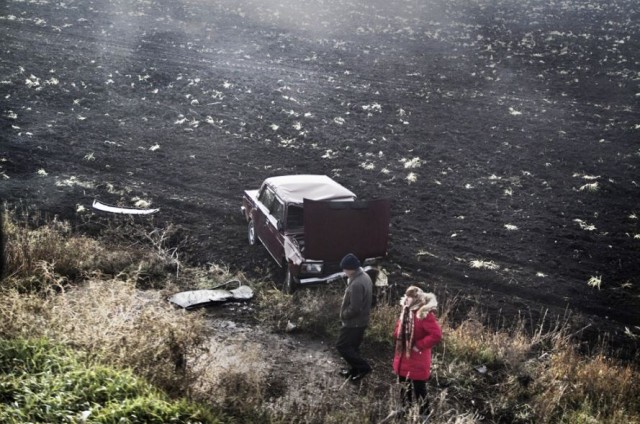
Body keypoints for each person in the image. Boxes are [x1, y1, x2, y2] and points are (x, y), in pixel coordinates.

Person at [392, 285, 442, 419]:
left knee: (419, 388)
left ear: (417, 299)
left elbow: (436, 335)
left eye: (411, 297)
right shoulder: (405, 311)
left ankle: (424, 415)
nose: (407, 299)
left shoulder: (424, 314)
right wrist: (398, 336)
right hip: (403, 355)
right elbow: (399, 328)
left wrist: (419, 345)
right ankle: (404, 409)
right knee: (403, 385)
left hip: (417, 357)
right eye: (407, 296)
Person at [336, 253, 373, 382]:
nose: (344, 271)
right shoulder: (364, 276)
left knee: (342, 346)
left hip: (354, 323)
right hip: (362, 321)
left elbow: (355, 308)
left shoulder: (357, 283)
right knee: (353, 347)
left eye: (345, 268)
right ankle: (354, 371)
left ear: (351, 268)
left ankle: (363, 367)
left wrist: (344, 315)